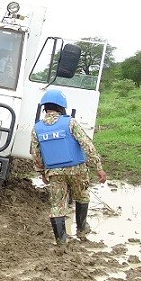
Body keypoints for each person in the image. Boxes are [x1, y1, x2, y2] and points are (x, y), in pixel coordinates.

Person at [30, 89, 107, 244]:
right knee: (82, 196)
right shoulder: (70, 122)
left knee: (57, 205)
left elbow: (36, 154)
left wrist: (41, 173)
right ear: (62, 107)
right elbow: (87, 144)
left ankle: (61, 239)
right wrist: (98, 167)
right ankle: (82, 228)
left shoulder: (37, 128)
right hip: (77, 169)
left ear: (45, 108)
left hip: (54, 173)